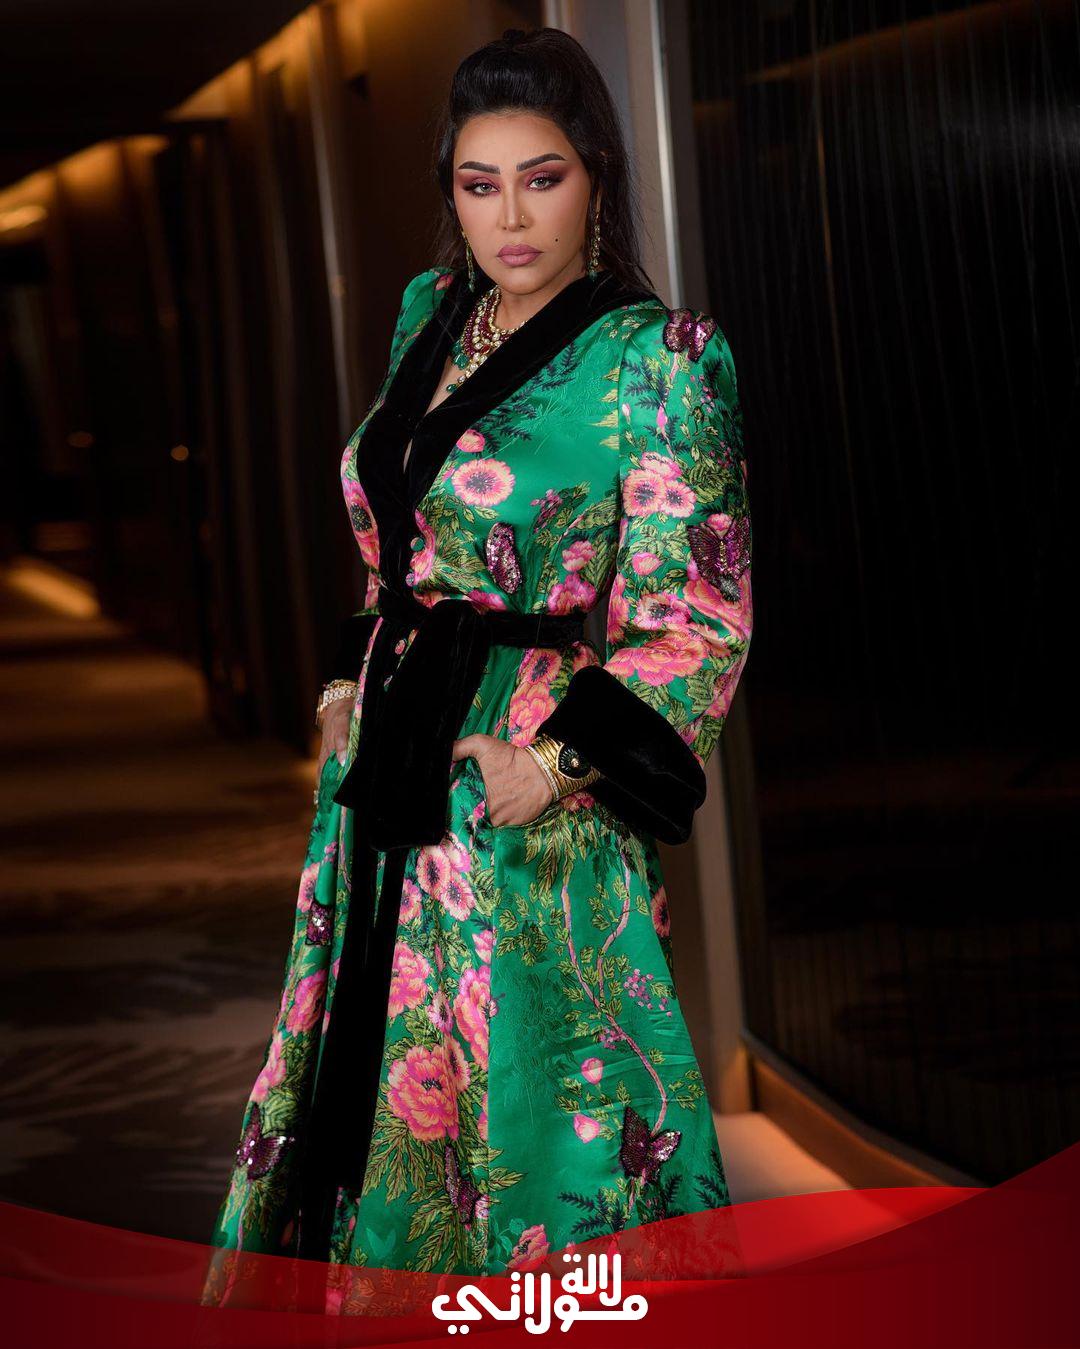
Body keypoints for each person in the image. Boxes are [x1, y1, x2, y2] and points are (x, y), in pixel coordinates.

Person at [202, 25, 752, 1287]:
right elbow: (397, 547)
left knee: (533, 1110)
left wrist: (550, 767)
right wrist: (343, 685)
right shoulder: (430, 315)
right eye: (478, 182)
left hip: (525, 776)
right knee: (377, 1078)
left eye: (541, 178)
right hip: (389, 758)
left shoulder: (660, 359)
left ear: (597, 176)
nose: (510, 216)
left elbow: (697, 621)